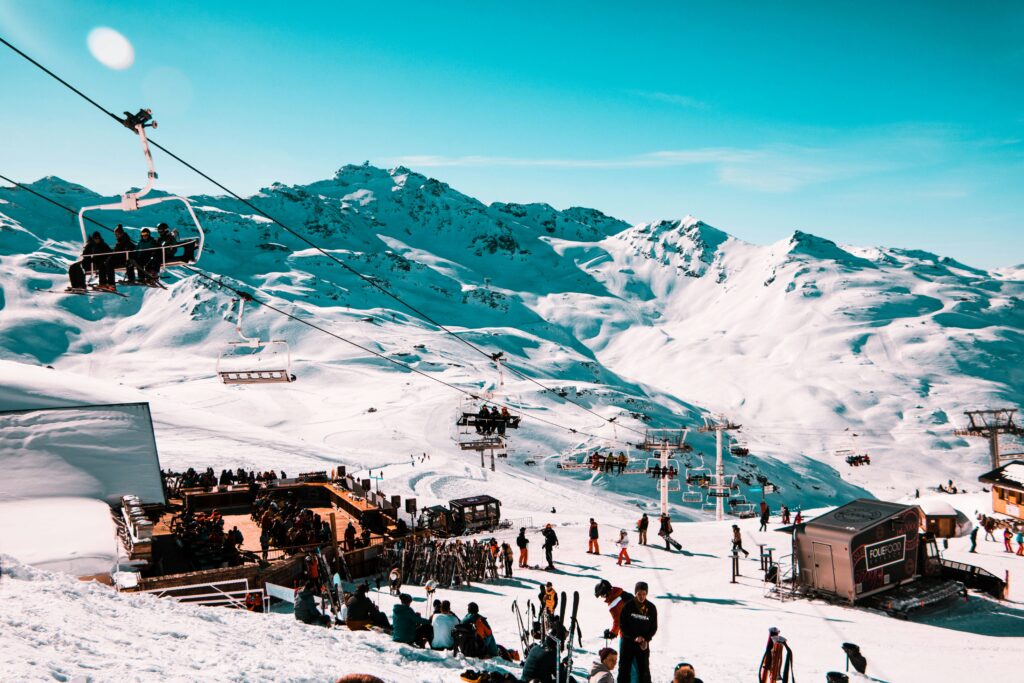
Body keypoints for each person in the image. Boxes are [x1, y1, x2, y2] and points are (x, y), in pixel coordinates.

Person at [618, 581, 657, 683]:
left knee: (644, 670)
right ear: (635, 593)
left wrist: (646, 639)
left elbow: (653, 627)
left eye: (644, 594)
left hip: (642, 644)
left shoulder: (651, 608)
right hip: (628, 642)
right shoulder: (628, 606)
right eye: (639, 594)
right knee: (624, 669)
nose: (641, 597)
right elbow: (622, 625)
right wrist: (634, 637)